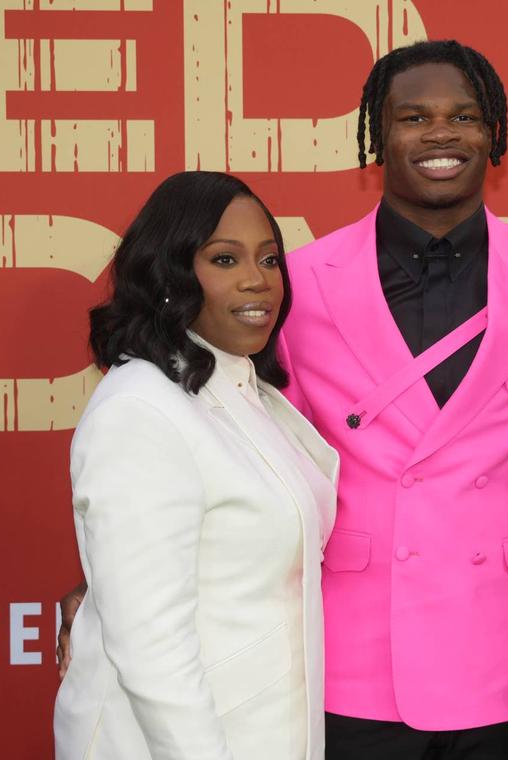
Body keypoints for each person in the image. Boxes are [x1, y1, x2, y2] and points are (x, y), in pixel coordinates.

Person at [59, 41, 508, 760]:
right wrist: (108, 581)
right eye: (412, 117)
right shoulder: (294, 281)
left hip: (500, 651)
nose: (440, 133)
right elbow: (227, 425)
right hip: (350, 655)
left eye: (464, 116)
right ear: (377, 139)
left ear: (493, 135)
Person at [53, 171, 338, 760]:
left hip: (265, 732)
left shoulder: (237, 389)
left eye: (269, 259)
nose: (258, 280)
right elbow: (151, 645)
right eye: (225, 259)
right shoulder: (141, 409)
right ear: (170, 275)